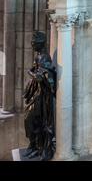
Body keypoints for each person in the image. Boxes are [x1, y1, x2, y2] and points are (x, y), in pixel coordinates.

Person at [23, 31, 56, 161]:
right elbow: (36, 71)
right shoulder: (39, 56)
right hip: (37, 93)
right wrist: (33, 72)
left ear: (39, 44)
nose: (31, 45)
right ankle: (34, 147)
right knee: (30, 121)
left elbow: (40, 77)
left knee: (32, 120)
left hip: (42, 96)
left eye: (33, 43)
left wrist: (30, 73)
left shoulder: (45, 58)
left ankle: (37, 148)